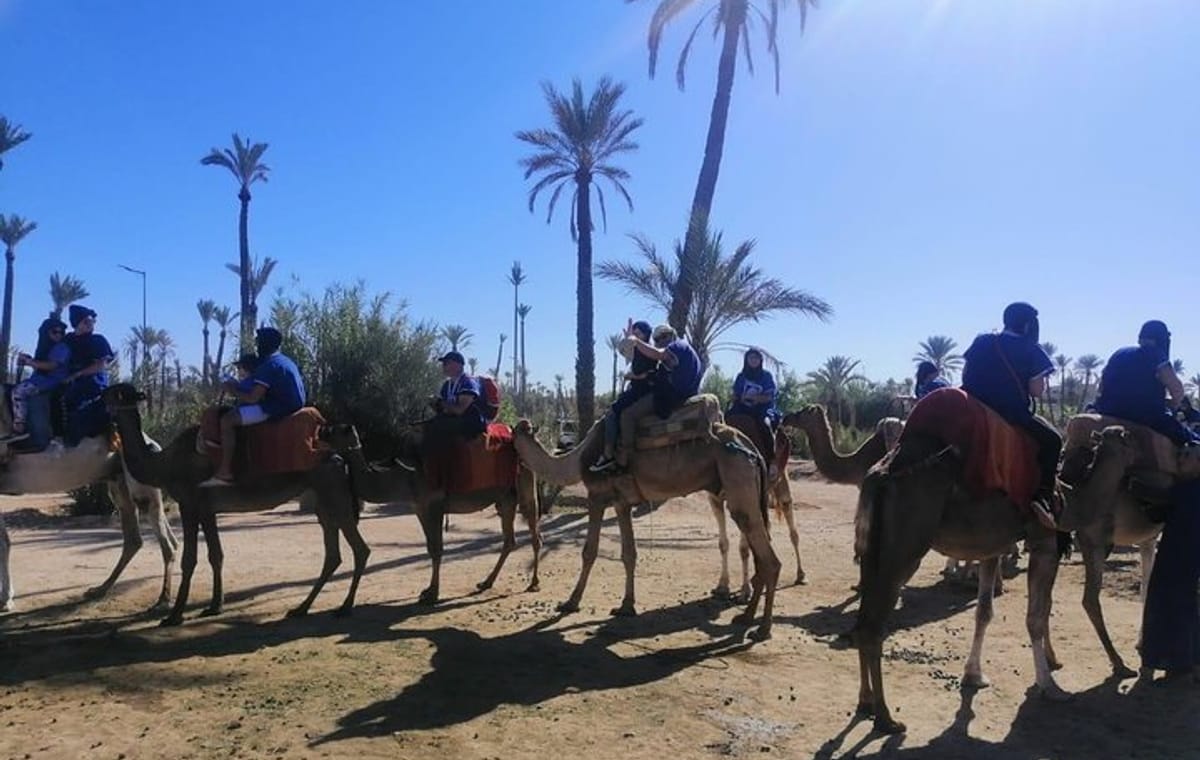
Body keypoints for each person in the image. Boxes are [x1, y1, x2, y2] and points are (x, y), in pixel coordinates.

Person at [961, 302, 1059, 513]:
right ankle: (1042, 497)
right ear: (1026, 325)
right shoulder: (1032, 350)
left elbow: (966, 374)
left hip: (970, 407)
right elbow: (1036, 392)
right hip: (1009, 413)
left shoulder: (982, 341)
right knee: (1053, 441)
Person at [200, 327, 306, 487]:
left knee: (228, 420)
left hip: (276, 408)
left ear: (265, 344)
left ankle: (225, 471)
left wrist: (232, 390)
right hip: (288, 404)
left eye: (259, 342)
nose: (256, 345)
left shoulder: (268, 366)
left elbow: (252, 398)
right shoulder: (284, 361)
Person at [594, 323, 702, 471]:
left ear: (672, 335)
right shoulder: (681, 351)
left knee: (627, 415)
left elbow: (658, 354)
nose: (660, 341)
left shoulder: (677, 346)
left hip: (671, 397)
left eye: (663, 336)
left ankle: (626, 459)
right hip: (679, 394)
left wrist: (636, 342)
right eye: (656, 339)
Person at [1094, 321, 1199, 446]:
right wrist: (1173, 404)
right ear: (1162, 339)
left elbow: (1101, 387)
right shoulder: (1157, 356)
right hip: (1147, 416)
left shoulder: (1119, 353)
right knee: (1190, 439)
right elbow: (1177, 390)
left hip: (1107, 410)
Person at [591, 320, 656, 473]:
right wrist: (629, 339)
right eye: (635, 332)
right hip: (638, 390)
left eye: (638, 333)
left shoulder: (648, 352)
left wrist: (631, 375)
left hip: (641, 392)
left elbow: (644, 373)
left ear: (646, 334)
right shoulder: (641, 351)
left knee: (612, 414)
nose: (635, 335)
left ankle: (609, 455)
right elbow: (623, 350)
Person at [422, 350, 487, 492]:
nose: (444, 366)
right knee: (425, 426)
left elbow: (460, 410)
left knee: (437, 429)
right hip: (455, 420)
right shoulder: (447, 385)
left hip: (471, 422)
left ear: (458, 365)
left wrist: (441, 403)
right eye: (443, 364)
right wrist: (436, 405)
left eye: (447, 363)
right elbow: (446, 410)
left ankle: (443, 475)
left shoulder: (468, 382)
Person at [3, 318, 70, 443]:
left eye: (61, 333)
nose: (59, 335)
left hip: (51, 381)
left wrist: (30, 362)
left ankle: (19, 428)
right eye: (55, 332)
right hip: (40, 379)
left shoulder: (61, 348)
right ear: (46, 332)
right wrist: (27, 360)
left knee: (18, 392)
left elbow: (51, 365)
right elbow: (41, 362)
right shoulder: (45, 347)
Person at [62, 305, 115, 446]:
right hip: (68, 389)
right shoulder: (67, 341)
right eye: (86, 321)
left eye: (92, 321)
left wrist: (78, 374)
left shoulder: (98, 340)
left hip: (93, 389)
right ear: (77, 323)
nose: (91, 324)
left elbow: (101, 364)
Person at [727, 347, 779, 471]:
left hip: (763, 408)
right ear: (746, 360)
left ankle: (772, 460)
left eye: (756, 358)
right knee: (726, 418)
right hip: (743, 407)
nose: (753, 360)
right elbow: (736, 394)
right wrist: (738, 397)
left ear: (760, 360)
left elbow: (770, 396)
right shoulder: (741, 376)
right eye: (751, 358)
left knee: (765, 424)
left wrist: (757, 398)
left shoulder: (766, 376)